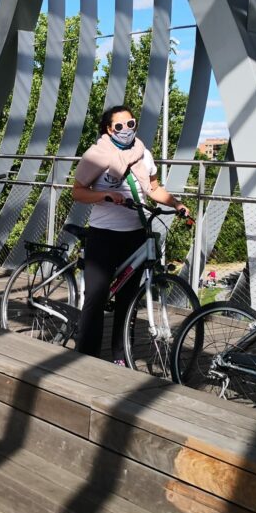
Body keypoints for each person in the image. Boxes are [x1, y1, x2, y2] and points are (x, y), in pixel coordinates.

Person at [71, 105, 190, 365]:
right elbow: (78, 191)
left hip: (135, 234)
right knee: (96, 296)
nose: (126, 130)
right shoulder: (96, 155)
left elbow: (153, 188)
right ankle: (85, 357)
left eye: (131, 124)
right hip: (104, 234)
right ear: (108, 129)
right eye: (119, 126)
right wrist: (104, 195)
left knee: (128, 300)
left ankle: (121, 356)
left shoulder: (143, 154)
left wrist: (176, 204)